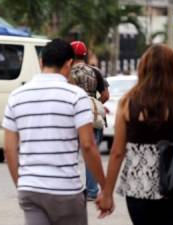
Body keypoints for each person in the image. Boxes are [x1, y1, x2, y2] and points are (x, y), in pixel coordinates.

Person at [2, 39, 106, 225]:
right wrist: (105, 189)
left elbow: (9, 150)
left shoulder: (16, 96)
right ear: (69, 64)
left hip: (30, 190)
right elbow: (88, 146)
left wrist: (22, 185)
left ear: (41, 62)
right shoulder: (76, 96)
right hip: (66, 191)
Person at [97, 44, 173, 224]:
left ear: (143, 69)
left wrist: (107, 194)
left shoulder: (128, 102)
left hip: (138, 188)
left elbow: (117, 153)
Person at [70, 40, 109, 201]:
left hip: (71, 116)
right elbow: (106, 96)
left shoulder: (67, 72)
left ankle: (70, 190)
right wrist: (94, 102)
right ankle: (92, 191)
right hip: (92, 116)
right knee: (91, 154)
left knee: (69, 155)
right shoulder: (96, 71)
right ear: (85, 55)